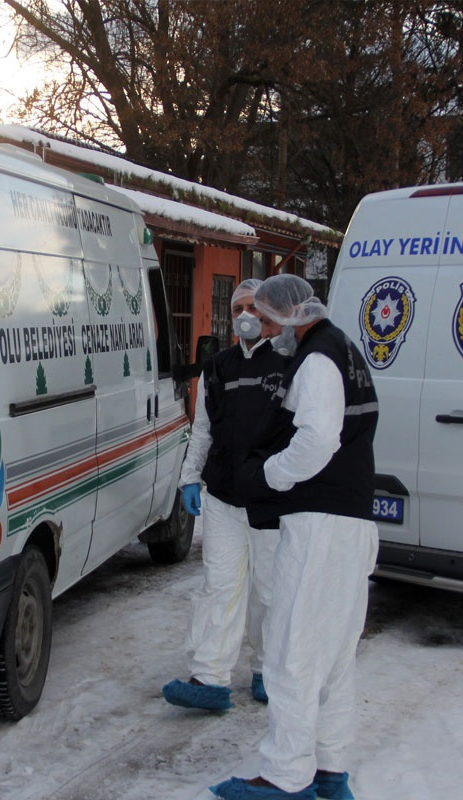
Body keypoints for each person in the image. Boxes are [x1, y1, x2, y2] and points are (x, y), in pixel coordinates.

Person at [210, 274, 379, 800]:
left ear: (288, 315)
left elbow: (318, 439)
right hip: (349, 522)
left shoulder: (320, 359)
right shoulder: (346, 351)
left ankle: (285, 777)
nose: (261, 327)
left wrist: (269, 475)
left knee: (293, 648)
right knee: (331, 654)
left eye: (264, 317)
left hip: (319, 524)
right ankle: (329, 770)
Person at [161, 278, 287, 711]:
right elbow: (203, 427)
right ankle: (210, 677)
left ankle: (269, 671)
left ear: (271, 314)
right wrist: (190, 477)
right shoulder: (218, 366)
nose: (246, 316)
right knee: (220, 585)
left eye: (255, 308)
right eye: (238, 309)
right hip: (224, 497)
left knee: (269, 591)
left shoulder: (289, 363)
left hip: (271, 499)